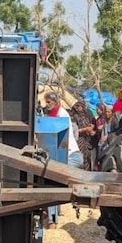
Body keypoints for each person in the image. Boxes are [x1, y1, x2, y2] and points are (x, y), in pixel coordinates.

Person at [43, 91, 83, 229]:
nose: (47, 105)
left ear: (56, 102)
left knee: (52, 183)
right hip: (66, 155)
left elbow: (55, 133)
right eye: (46, 102)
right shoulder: (52, 115)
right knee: (55, 183)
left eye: (49, 102)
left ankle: (52, 222)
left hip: (71, 156)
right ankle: (54, 213)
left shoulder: (61, 114)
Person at [69, 101, 96, 171]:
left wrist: (91, 128)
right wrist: (85, 129)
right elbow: (73, 130)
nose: (79, 108)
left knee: (88, 156)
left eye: (80, 106)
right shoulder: (74, 117)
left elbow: (93, 123)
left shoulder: (87, 115)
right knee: (81, 156)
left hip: (87, 140)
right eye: (77, 107)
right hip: (79, 140)